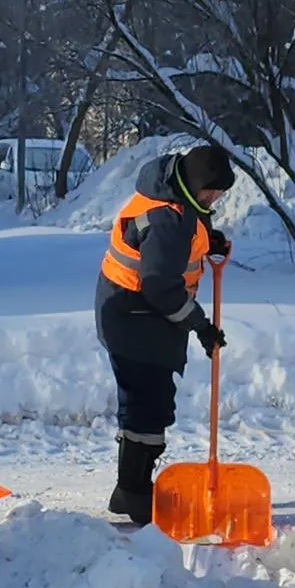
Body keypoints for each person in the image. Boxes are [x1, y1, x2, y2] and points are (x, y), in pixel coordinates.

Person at [94, 143, 234, 525]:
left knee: (149, 401)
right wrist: (202, 327)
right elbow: (160, 286)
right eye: (212, 192)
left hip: (135, 312)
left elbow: (181, 234)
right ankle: (133, 493)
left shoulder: (173, 194)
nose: (215, 198)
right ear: (194, 183)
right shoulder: (168, 221)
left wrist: (207, 238)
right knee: (147, 404)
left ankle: (131, 489)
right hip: (136, 314)